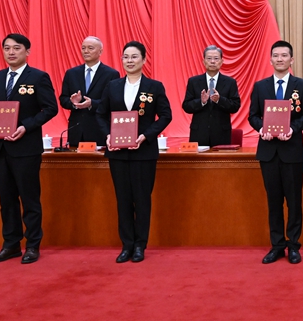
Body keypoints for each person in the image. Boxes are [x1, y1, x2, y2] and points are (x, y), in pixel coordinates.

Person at [0, 34, 58, 264]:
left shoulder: (38, 77)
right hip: (0, 148)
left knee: (30, 199)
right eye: (6, 48)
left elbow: (50, 108)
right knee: (6, 199)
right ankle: (11, 245)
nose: (11, 52)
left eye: (16, 48)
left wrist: (26, 126)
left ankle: (32, 245)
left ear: (27, 51)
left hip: (25, 148)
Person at [97, 41, 172, 263]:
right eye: (126, 57)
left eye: (134, 57)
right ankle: (126, 245)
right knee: (123, 200)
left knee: (142, 199)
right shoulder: (112, 86)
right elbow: (100, 114)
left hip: (143, 152)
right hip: (118, 153)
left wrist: (146, 135)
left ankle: (140, 245)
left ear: (144, 60)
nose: (129, 61)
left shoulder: (154, 86)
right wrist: (107, 135)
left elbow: (166, 116)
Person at [248, 40, 303, 264]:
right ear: (270, 60)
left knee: (294, 202)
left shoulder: (301, 86)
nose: (280, 59)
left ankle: (293, 245)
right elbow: (253, 115)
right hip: (268, 152)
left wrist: (292, 128)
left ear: (291, 60)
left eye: (284, 55)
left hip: (292, 151)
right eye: (276, 55)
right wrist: (262, 129)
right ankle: (277, 245)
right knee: (274, 202)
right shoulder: (260, 86)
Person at [59, 37, 120, 148]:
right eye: (83, 48)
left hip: (99, 130)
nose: (86, 51)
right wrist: (74, 103)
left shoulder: (111, 74)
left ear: (100, 51)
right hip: (76, 130)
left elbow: (113, 102)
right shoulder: (71, 73)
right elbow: (63, 99)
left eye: (90, 48)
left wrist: (92, 103)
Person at [181, 45, 241, 146]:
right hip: (199, 133)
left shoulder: (230, 82)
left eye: (216, 58)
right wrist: (201, 102)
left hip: (222, 134)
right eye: (209, 58)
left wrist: (219, 100)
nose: (212, 61)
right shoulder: (194, 81)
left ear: (221, 61)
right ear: (203, 61)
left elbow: (235, 106)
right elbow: (186, 106)